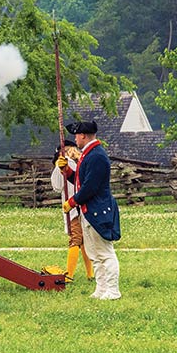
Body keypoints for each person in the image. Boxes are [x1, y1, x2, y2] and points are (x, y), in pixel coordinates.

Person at [56, 120, 121, 300]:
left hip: (97, 209)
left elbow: (90, 187)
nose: (75, 139)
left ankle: (113, 290)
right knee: (94, 254)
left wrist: (72, 201)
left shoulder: (96, 156)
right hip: (89, 210)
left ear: (83, 135)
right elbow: (80, 179)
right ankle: (101, 289)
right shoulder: (89, 154)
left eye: (76, 135)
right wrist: (67, 170)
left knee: (105, 253)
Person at [50, 141, 94, 282]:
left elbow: (56, 186)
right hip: (80, 206)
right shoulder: (78, 162)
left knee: (76, 240)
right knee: (83, 241)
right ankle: (90, 274)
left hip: (75, 207)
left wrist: (59, 168)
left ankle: (69, 275)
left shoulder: (72, 163)